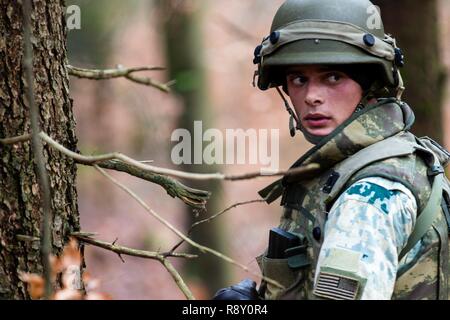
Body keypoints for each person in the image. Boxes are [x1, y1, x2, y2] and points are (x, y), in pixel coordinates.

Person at [214, 0, 450, 300]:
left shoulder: (366, 200)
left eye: (333, 77)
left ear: (369, 84)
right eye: (299, 79)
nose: (312, 96)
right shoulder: (375, 161)